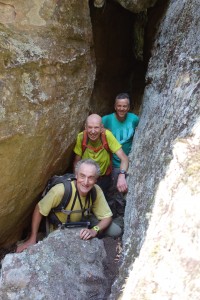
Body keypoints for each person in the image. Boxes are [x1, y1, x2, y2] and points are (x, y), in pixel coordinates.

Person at [16, 159, 122, 253]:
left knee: (116, 231)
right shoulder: (61, 191)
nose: (85, 182)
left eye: (91, 178)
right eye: (82, 176)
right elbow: (39, 209)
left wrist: (94, 230)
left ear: (96, 180)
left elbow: (107, 217)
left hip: (83, 222)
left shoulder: (96, 191)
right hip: (59, 227)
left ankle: (119, 220)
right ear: (76, 175)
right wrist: (32, 238)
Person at [73, 114, 129, 212]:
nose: (93, 131)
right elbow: (76, 161)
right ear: (85, 127)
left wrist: (122, 175)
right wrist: (76, 179)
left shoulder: (107, 136)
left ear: (102, 128)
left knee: (101, 201)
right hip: (86, 178)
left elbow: (124, 158)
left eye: (96, 128)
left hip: (104, 178)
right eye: (90, 127)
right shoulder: (81, 137)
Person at [102, 93, 139, 217]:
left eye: (124, 106)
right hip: (112, 162)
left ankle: (120, 217)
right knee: (112, 190)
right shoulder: (106, 120)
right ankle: (111, 216)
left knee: (122, 191)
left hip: (126, 160)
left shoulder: (134, 119)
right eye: (119, 106)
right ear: (114, 106)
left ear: (128, 107)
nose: (121, 109)